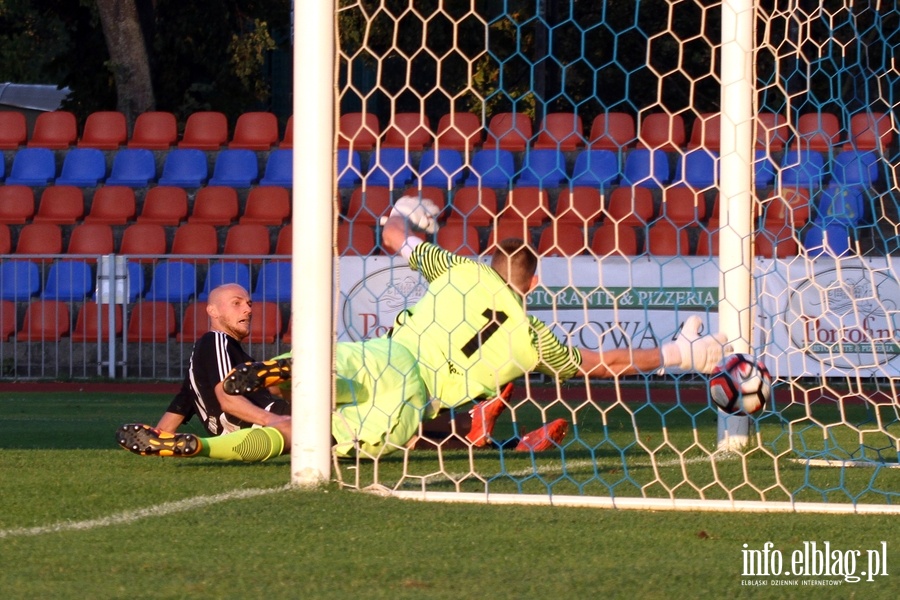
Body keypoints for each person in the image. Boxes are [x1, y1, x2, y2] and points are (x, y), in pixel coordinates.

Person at [119, 196, 730, 461]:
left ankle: (269, 385)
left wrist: (408, 217)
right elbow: (606, 367)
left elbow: (390, 236)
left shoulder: (459, 268)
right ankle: (211, 441)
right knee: (321, 441)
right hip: (414, 402)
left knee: (314, 394)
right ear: (532, 286)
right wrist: (687, 350)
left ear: (493, 263)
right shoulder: (532, 335)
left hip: (384, 355)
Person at [116, 283, 291, 462]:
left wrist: (159, 439)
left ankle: (203, 446)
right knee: (312, 422)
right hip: (252, 417)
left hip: (234, 435)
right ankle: (289, 365)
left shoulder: (209, 354)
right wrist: (271, 419)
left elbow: (185, 399)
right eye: (236, 303)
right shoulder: (217, 340)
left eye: (249, 304)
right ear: (213, 311)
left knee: (302, 432)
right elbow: (227, 398)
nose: (247, 310)